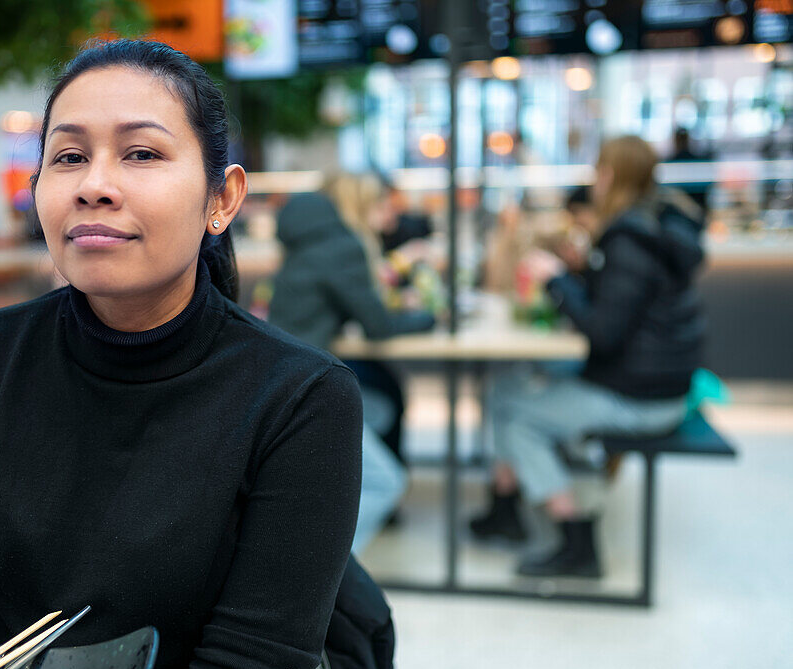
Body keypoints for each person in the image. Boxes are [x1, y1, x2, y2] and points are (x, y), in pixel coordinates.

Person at [0, 41, 363, 669]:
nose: (94, 184)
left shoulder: (303, 398)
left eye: (141, 154)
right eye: (67, 157)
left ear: (223, 197)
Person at [469, 135, 705, 578]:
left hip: (640, 397)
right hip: (660, 384)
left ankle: (577, 542)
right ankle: (506, 508)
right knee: (507, 385)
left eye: (597, 170)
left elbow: (601, 334)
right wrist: (581, 271)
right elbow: (623, 309)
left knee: (517, 414)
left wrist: (557, 278)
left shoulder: (628, 239)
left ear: (609, 175)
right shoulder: (657, 225)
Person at [268, 182, 433, 551]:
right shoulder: (342, 247)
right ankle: (324, 572)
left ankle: (323, 491)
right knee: (386, 482)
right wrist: (430, 319)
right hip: (304, 387)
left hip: (279, 372)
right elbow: (380, 328)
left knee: (382, 408)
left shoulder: (303, 247)